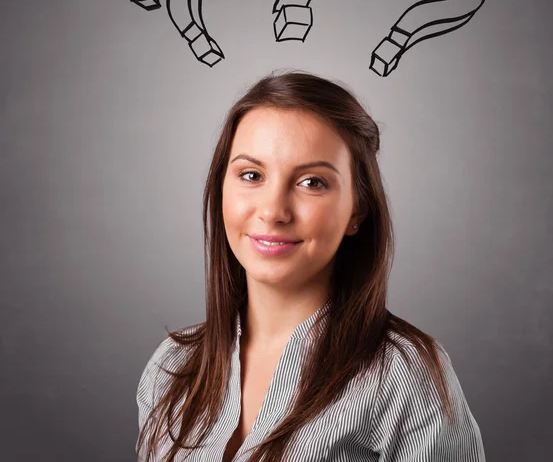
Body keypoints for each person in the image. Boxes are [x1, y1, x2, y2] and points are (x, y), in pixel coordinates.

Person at [135, 69, 486, 462]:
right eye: (251, 175)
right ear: (221, 189)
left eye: (312, 182)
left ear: (357, 210)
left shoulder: (406, 376)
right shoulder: (171, 367)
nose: (273, 211)